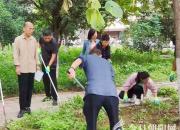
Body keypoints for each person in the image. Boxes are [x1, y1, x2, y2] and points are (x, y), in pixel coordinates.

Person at [68, 48, 121, 130]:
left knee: (91, 125)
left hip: (94, 94)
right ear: (100, 55)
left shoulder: (87, 57)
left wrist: (72, 69)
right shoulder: (108, 63)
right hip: (112, 95)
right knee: (116, 125)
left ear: (91, 54)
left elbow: (79, 59)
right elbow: (112, 80)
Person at [13, 22, 39, 118]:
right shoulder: (18, 39)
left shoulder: (34, 40)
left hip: (32, 68)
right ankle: (22, 109)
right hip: (22, 69)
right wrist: (17, 66)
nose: (31, 30)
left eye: (32, 29)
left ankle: (28, 107)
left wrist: (38, 65)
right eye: (30, 28)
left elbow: (36, 54)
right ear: (24, 28)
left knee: (29, 89)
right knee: (22, 90)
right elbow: (15, 54)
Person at [39, 30, 58, 106]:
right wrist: (38, 49)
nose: (47, 39)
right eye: (45, 38)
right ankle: (48, 96)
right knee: (45, 80)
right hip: (44, 63)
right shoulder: (41, 39)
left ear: (51, 36)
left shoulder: (54, 43)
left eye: (48, 38)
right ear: (43, 36)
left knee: (52, 81)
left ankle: (55, 98)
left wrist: (49, 66)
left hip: (52, 64)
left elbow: (54, 55)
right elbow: (39, 44)